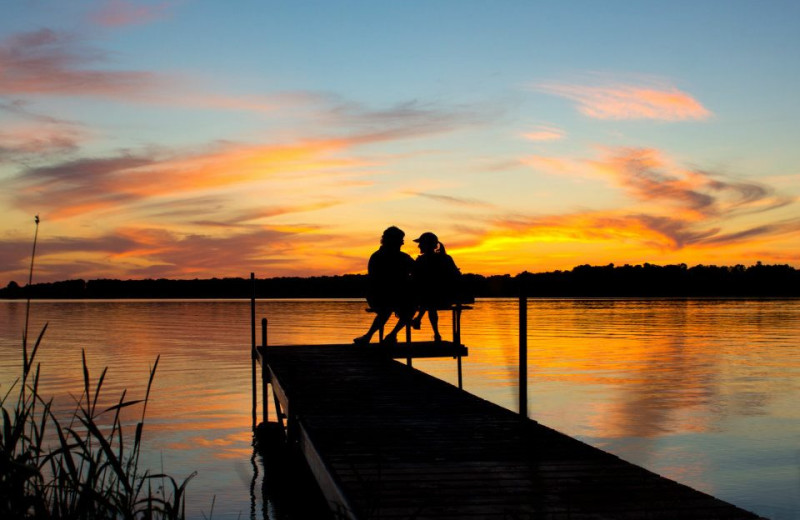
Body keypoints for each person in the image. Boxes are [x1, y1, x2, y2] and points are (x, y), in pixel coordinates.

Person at [353, 226, 415, 345]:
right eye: (401, 239)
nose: (403, 242)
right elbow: (377, 281)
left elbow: (417, 270)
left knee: (409, 307)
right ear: (393, 240)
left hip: (396, 295)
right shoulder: (378, 257)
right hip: (379, 295)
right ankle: (371, 336)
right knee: (388, 307)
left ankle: (390, 335)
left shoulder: (403, 257)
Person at [410, 232, 461, 342]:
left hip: (435, 298)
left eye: (421, 243)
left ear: (426, 244)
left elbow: (414, 279)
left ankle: (419, 320)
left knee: (428, 296)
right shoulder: (446, 258)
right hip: (445, 298)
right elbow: (457, 276)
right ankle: (435, 333)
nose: (418, 246)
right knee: (429, 298)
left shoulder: (422, 260)